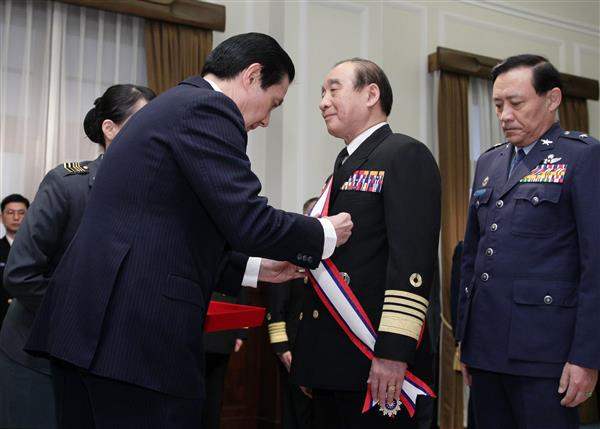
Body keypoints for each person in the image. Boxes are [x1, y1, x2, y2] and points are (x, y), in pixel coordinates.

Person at [24, 32, 353, 428]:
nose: (266, 119)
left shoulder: (175, 105)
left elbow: (172, 232)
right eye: (274, 102)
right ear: (252, 75)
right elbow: (247, 218)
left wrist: (258, 269)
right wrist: (323, 233)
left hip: (92, 336)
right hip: (134, 343)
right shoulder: (209, 109)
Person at [290, 58, 441, 428]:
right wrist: (311, 360)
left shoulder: (404, 154)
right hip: (332, 359)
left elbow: (411, 263)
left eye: (333, 89)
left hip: (374, 355)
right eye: (322, 93)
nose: (323, 102)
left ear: (371, 94)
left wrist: (394, 352)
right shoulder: (344, 164)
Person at [456, 54, 600, 429]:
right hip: (485, 350)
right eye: (498, 105)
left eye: (516, 103)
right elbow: (472, 257)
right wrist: (466, 342)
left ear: (552, 99)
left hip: (545, 352)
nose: (505, 115)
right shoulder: (488, 163)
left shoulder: (582, 156)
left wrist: (587, 356)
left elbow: (595, 265)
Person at [0, 84, 155, 429]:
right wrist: (87, 315)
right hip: (37, 356)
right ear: (110, 128)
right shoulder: (67, 183)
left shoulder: (155, 192)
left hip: (107, 363)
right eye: (144, 121)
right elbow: (21, 274)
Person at [267, 197, 318, 429]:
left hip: (320, 349)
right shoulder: (291, 253)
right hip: (294, 346)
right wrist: (282, 347)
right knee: (295, 412)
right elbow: (277, 305)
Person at [202, 288, 248, 429]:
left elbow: (241, 285)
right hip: (195, 325)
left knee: (214, 395)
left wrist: (241, 330)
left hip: (221, 327)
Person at [0, 194, 29, 325]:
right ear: (1, 217)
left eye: (21, 213)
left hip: (28, 319)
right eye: (10, 213)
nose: (16, 217)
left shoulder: (40, 250)